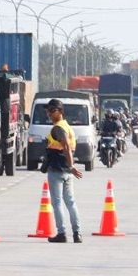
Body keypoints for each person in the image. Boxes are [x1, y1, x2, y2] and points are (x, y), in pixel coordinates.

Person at [44, 98, 84, 243]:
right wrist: (70, 167)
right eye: (48, 110)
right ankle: (77, 233)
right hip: (66, 171)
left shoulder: (58, 128)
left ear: (61, 111)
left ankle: (61, 233)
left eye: (52, 110)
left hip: (57, 169)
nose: (49, 113)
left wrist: (71, 165)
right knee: (70, 202)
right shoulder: (67, 126)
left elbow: (66, 145)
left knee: (57, 203)